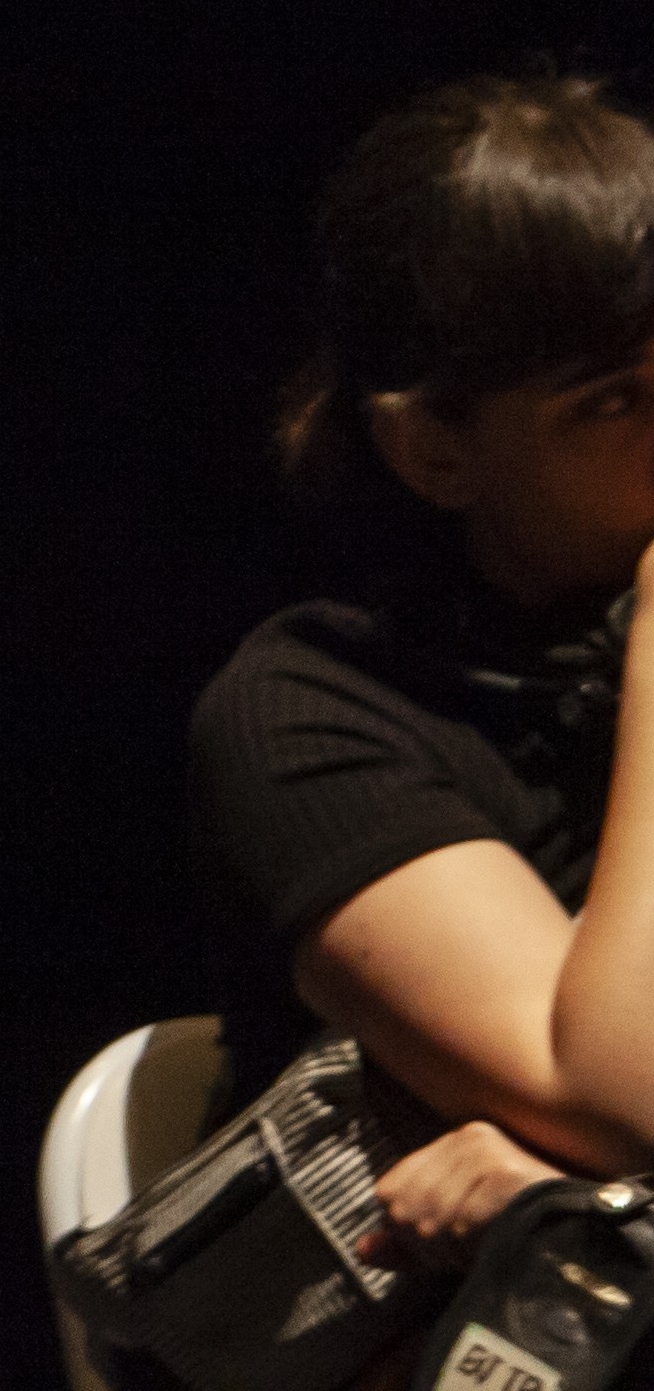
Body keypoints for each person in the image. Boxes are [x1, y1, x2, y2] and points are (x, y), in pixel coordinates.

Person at [183, 73, 654, 1239]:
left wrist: (596, 1199)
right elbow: (618, 1098)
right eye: (615, 401)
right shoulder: (313, 715)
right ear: (433, 447)